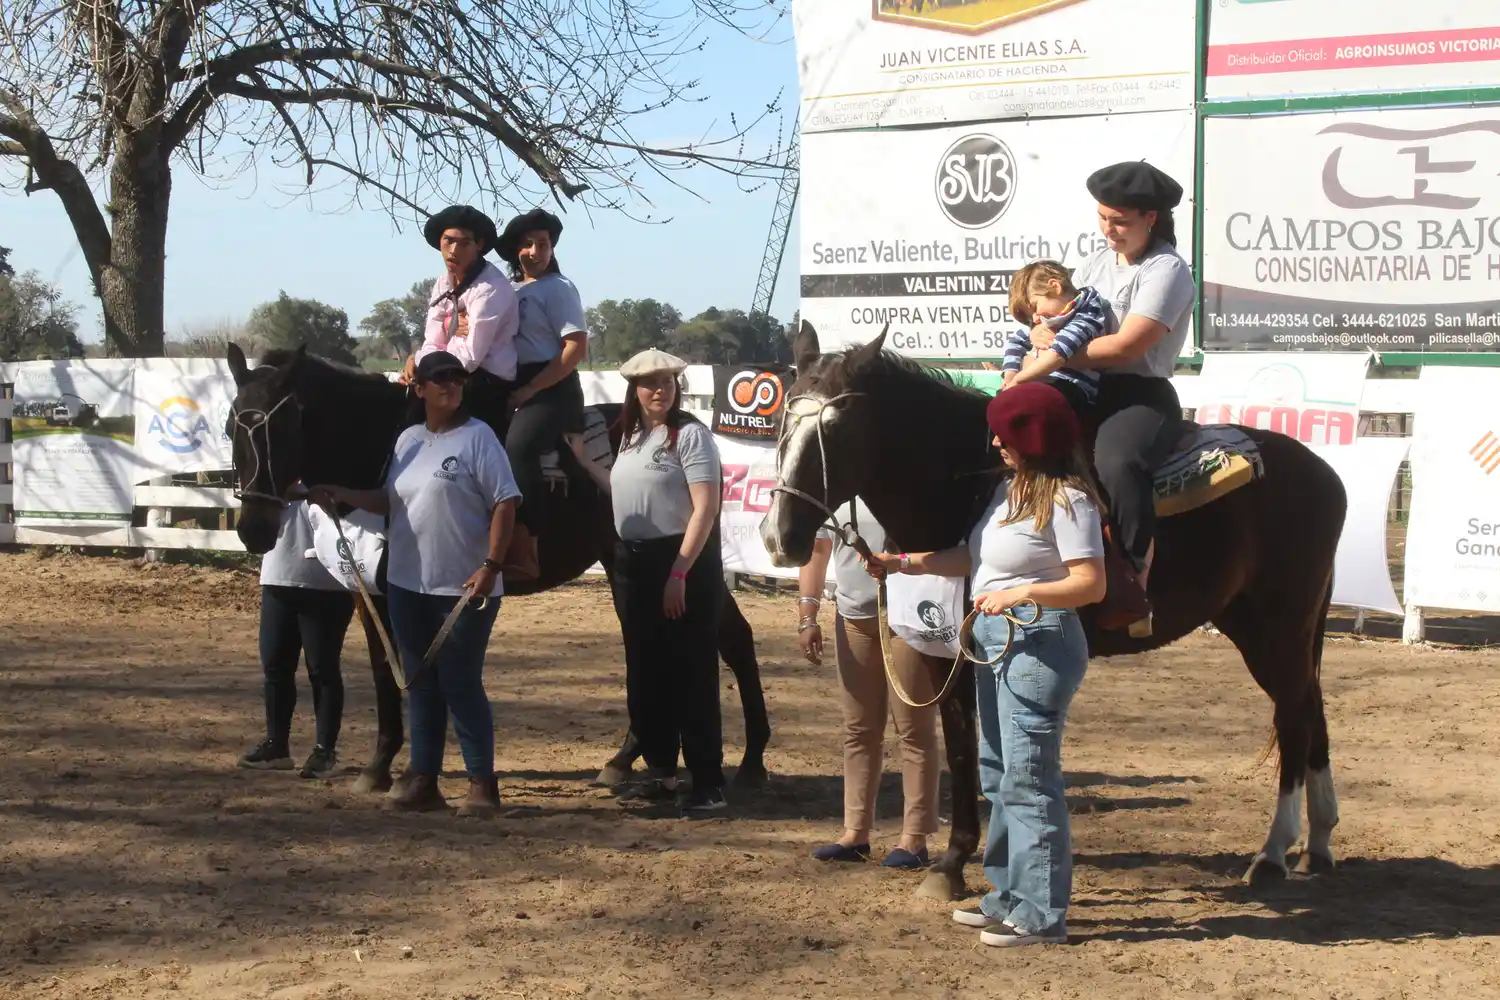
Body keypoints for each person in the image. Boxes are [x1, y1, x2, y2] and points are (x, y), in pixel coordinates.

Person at [867, 383, 1106, 948]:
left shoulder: (1070, 501)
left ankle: (1043, 915)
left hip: (1036, 640)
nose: (995, 439)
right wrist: (901, 563)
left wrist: (1021, 593)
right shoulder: (1006, 493)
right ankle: (1006, 895)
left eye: (1006, 432)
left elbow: (1090, 584)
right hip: (997, 636)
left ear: (1032, 440)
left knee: (1029, 779)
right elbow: (972, 560)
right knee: (1000, 774)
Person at [313, 350, 522, 815]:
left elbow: (505, 502)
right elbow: (390, 500)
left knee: (462, 682)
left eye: (457, 378)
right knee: (419, 683)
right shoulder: (408, 440)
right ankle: (424, 779)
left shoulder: (479, 438)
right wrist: (344, 494)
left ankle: (481, 784)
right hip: (408, 584)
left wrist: (491, 564)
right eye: (440, 379)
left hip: (463, 588)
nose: (451, 385)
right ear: (420, 389)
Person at [1030, 162, 1196, 609]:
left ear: (1151, 218)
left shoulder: (1168, 269)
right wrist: (1040, 332)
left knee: (1119, 462)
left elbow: (1126, 347)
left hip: (1140, 394)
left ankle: (1132, 574)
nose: (1109, 229)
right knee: (1013, 433)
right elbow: (1062, 317)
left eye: (1120, 220)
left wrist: (1058, 353)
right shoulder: (1094, 263)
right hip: (1081, 383)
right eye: (1103, 217)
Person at [607, 348, 727, 815]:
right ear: (634, 390)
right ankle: (662, 771)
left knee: (690, 672)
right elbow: (627, 489)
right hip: (632, 564)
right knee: (645, 671)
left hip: (678, 560)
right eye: (650, 383)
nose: (660, 390)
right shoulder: (632, 435)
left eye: (667, 382)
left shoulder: (691, 436)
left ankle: (707, 781)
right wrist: (585, 463)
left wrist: (679, 572)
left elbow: (706, 508)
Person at [797, 498, 940, 869]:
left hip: (907, 616)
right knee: (858, 728)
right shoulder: (836, 494)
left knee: (913, 728)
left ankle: (914, 838)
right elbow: (818, 549)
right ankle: (855, 832)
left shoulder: (904, 483)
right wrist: (807, 613)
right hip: (853, 617)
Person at [493, 208, 589, 576]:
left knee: (518, 447)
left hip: (553, 388)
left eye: (543, 244)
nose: (536, 251)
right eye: (528, 244)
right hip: (514, 381)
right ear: (516, 251)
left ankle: (526, 548)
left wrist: (530, 389)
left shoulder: (559, 288)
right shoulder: (510, 290)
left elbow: (574, 349)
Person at [237, 496, 355, 780]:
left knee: (322, 667)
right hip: (278, 574)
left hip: (326, 580)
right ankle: (277, 745)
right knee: (275, 665)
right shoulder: (272, 472)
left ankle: (325, 749)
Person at [999, 260, 1109, 416]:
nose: (1036, 319)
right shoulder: (1051, 318)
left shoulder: (1087, 316)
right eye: (1032, 317)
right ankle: (1000, 437)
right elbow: (1017, 341)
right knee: (1000, 402)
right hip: (1043, 382)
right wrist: (1009, 376)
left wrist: (1018, 380)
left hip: (1073, 388)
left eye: (1035, 307)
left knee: (1032, 401)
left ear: (1055, 287)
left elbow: (1058, 354)